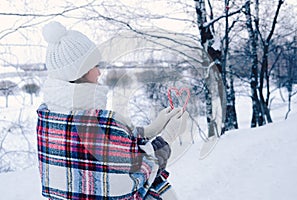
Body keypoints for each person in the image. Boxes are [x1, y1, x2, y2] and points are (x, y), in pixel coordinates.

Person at [37, 21, 189, 200]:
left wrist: (150, 130)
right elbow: (138, 173)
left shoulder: (46, 117)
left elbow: (117, 143)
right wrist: (168, 137)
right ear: (81, 72)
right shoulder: (102, 122)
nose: (99, 73)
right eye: (95, 66)